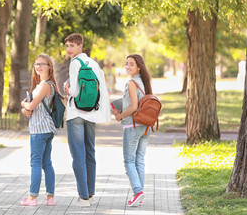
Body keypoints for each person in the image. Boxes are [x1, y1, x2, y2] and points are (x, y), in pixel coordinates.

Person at [63, 33, 111, 206]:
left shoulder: (75, 63)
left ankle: (83, 197)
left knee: (78, 155)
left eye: (72, 46)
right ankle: (90, 193)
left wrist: (67, 89)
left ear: (80, 46)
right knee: (90, 152)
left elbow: (75, 92)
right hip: (91, 113)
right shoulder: (93, 63)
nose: (69, 49)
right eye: (67, 46)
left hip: (76, 114)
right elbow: (102, 89)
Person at [111, 54, 153, 207]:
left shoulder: (132, 82)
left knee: (129, 161)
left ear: (139, 67)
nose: (127, 67)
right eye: (126, 63)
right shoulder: (144, 82)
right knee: (139, 160)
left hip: (133, 126)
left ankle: (137, 191)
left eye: (131, 64)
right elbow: (136, 103)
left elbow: (134, 107)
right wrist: (120, 108)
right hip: (146, 126)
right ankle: (139, 194)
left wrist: (119, 116)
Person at [20, 54, 59, 207]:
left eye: (42, 64)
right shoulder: (42, 84)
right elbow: (31, 109)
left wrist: (23, 104)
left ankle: (32, 198)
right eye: (36, 64)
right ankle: (50, 198)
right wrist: (26, 109)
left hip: (39, 129)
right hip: (45, 129)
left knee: (36, 163)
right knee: (46, 163)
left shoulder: (45, 85)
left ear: (49, 66)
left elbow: (30, 106)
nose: (39, 67)